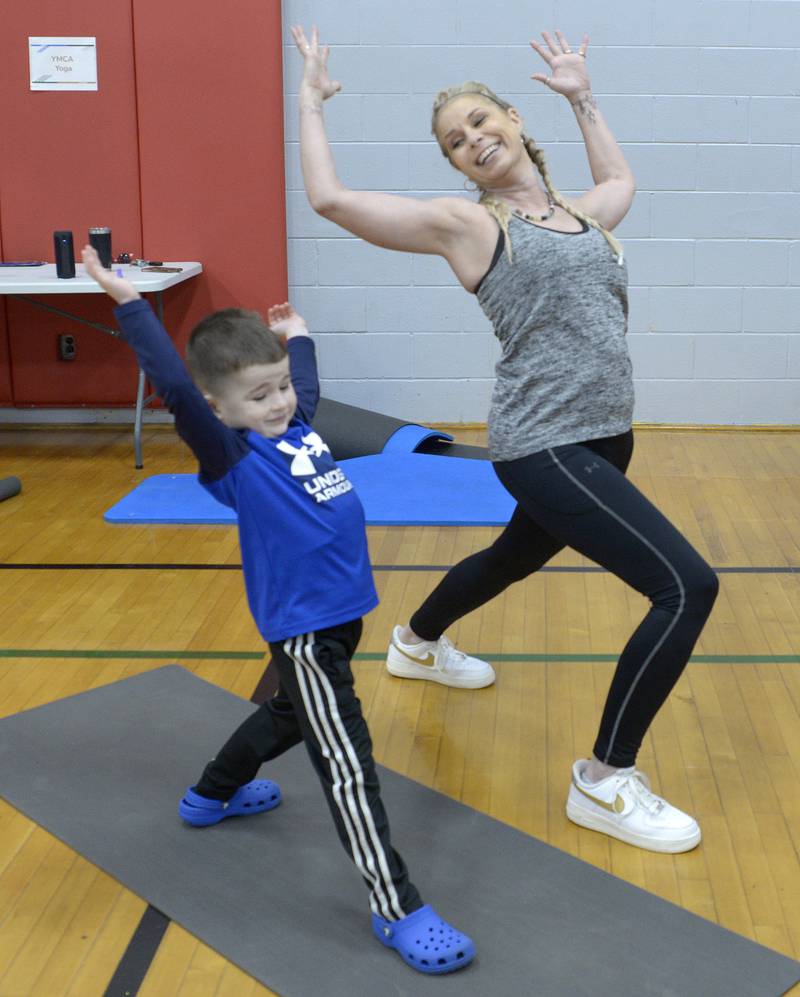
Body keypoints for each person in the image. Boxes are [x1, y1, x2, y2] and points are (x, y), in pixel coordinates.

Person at [292, 24, 719, 854]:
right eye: (456, 140)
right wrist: (310, 102)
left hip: (606, 436)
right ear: (454, 166)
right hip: (542, 444)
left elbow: (620, 178)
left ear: (516, 120)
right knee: (686, 587)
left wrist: (583, 96)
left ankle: (416, 641)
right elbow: (332, 201)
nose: (474, 139)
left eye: (482, 121)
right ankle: (605, 780)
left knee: (515, 555)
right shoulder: (470, 226)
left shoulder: (580, 216)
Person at [81, 245, 475, 976]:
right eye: (259, 396)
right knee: (347, 763)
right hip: (304, 631)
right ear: (219, 410)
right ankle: (397, 906)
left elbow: (308, 390)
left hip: (341, 616)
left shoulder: (297, 430)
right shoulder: (233, 458)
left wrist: (299, 337)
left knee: (293, 715)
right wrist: (126, 301)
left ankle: (211, 794)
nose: (280, 402)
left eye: (279, 388)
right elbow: (171, 381)